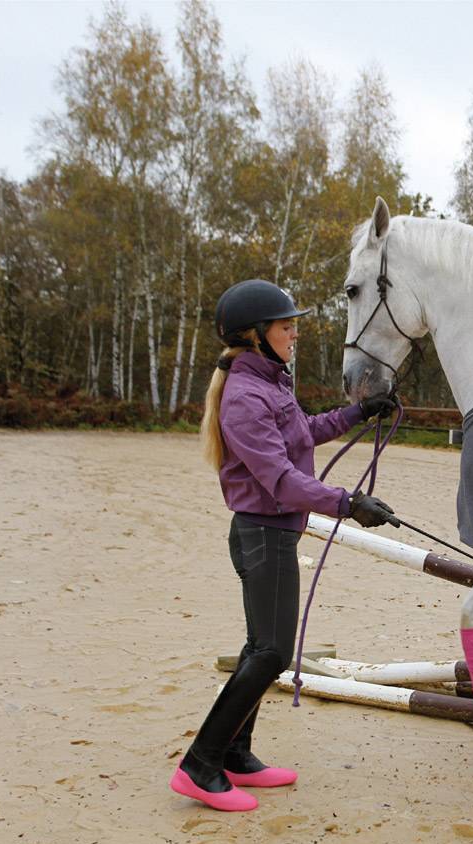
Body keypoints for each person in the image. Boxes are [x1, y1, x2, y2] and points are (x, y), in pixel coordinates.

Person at [170, 279, 398, 812]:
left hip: (273, 532)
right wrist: (347, 502)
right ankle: (200, 765)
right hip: (262, 534)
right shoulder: (246, 397)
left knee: (260, 649)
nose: (295, 334)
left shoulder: (271, 384)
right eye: (287, 327)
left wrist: (359, 413)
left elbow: (303, 434)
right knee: (272, 653)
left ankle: (233, 755)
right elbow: (280, 478)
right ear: (256, 335)